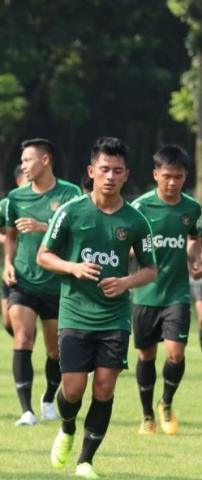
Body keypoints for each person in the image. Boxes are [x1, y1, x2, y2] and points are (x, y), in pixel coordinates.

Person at [38, 137, 156, 479]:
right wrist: (73, 268)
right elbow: (44, 256)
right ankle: (68, 427)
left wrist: (124, 283)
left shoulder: (135, 221)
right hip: (75, 313)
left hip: (115, 317)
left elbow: (150, 269)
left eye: (117, 171)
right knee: (72, 389)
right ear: (91, 171)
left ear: (126, 175)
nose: (110, 176)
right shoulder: (70, 211)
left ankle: (86, 461)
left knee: (104, 386)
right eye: (104, 169)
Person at [3, 138, 81, 426]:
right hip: (23, 280)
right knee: (22, 337)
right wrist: (8, 263)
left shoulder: (70, 193)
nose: (24, 165)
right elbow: (10, 234)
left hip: (57, 284)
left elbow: (77, 233)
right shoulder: (15, 197)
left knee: (54, 350)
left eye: (28, 160)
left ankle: (48, 398)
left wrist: (43, 227)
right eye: (22, 161)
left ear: (45, 160)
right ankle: (26, 410)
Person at [130, 145, 201, 435]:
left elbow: (195, 238)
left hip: (177, 294)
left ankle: (166, 403)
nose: (173, 182)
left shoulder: (192, 208)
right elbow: (126, 244)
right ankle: (147, 414)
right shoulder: (140, 208)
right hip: (145, 294)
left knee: (175, 354)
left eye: (180, 177)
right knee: (146, 355)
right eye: (168, 176)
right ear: (156, 174)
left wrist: (195, 258)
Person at [0, 165, 25, 337]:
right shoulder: (7, 203)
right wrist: (8, 240)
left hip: (35, 270)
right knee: (8, 322)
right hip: (12, 268)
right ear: (19, 180)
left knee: (22, 326)